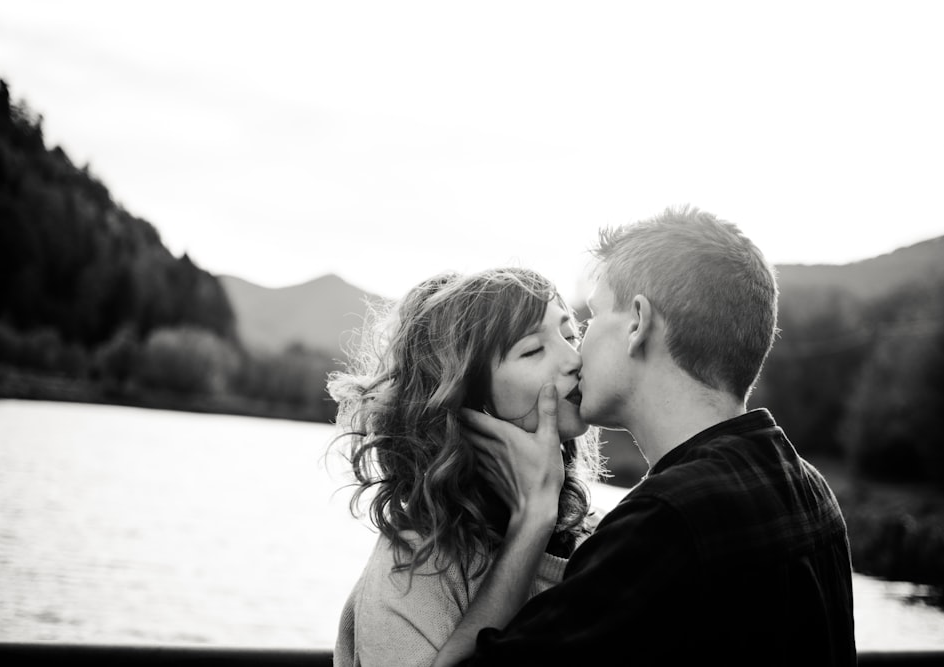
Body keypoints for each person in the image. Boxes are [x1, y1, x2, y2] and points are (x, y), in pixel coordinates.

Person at [434, 205, 857, 666]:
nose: (577, 353)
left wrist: (533, 517)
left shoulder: (666, 524)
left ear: (637, 322)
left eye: (591, 319)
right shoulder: (810, 490)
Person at [326, 267, 605, 667]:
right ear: (470, 402)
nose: (574, 359)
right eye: (532, 350)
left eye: (569, 335)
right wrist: (531, 523)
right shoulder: (413, 568)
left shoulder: (603, 537)